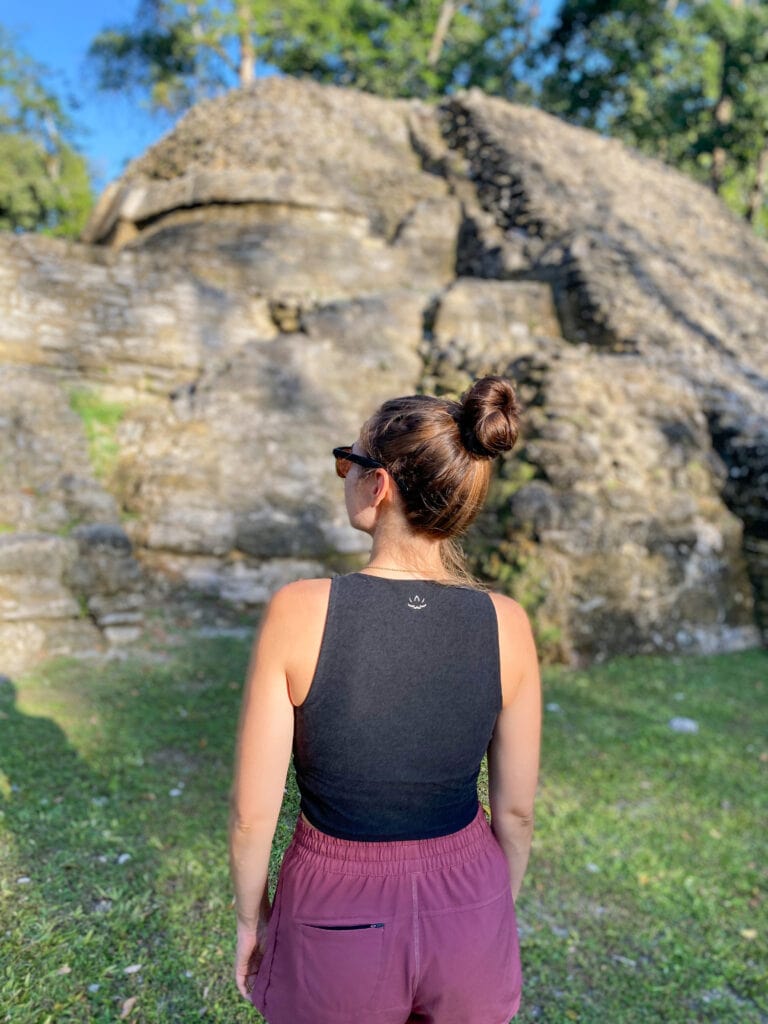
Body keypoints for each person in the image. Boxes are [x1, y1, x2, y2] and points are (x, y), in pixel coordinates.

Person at [229, 375, 541, 1024]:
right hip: (471, 894)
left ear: (380, 484)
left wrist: (250, 920)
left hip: (337, 905)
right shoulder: (508, 623)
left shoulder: (299, 610)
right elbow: (515, 814)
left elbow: (251, 817)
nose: (343, 473)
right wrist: (489, 912)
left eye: (348, 460)